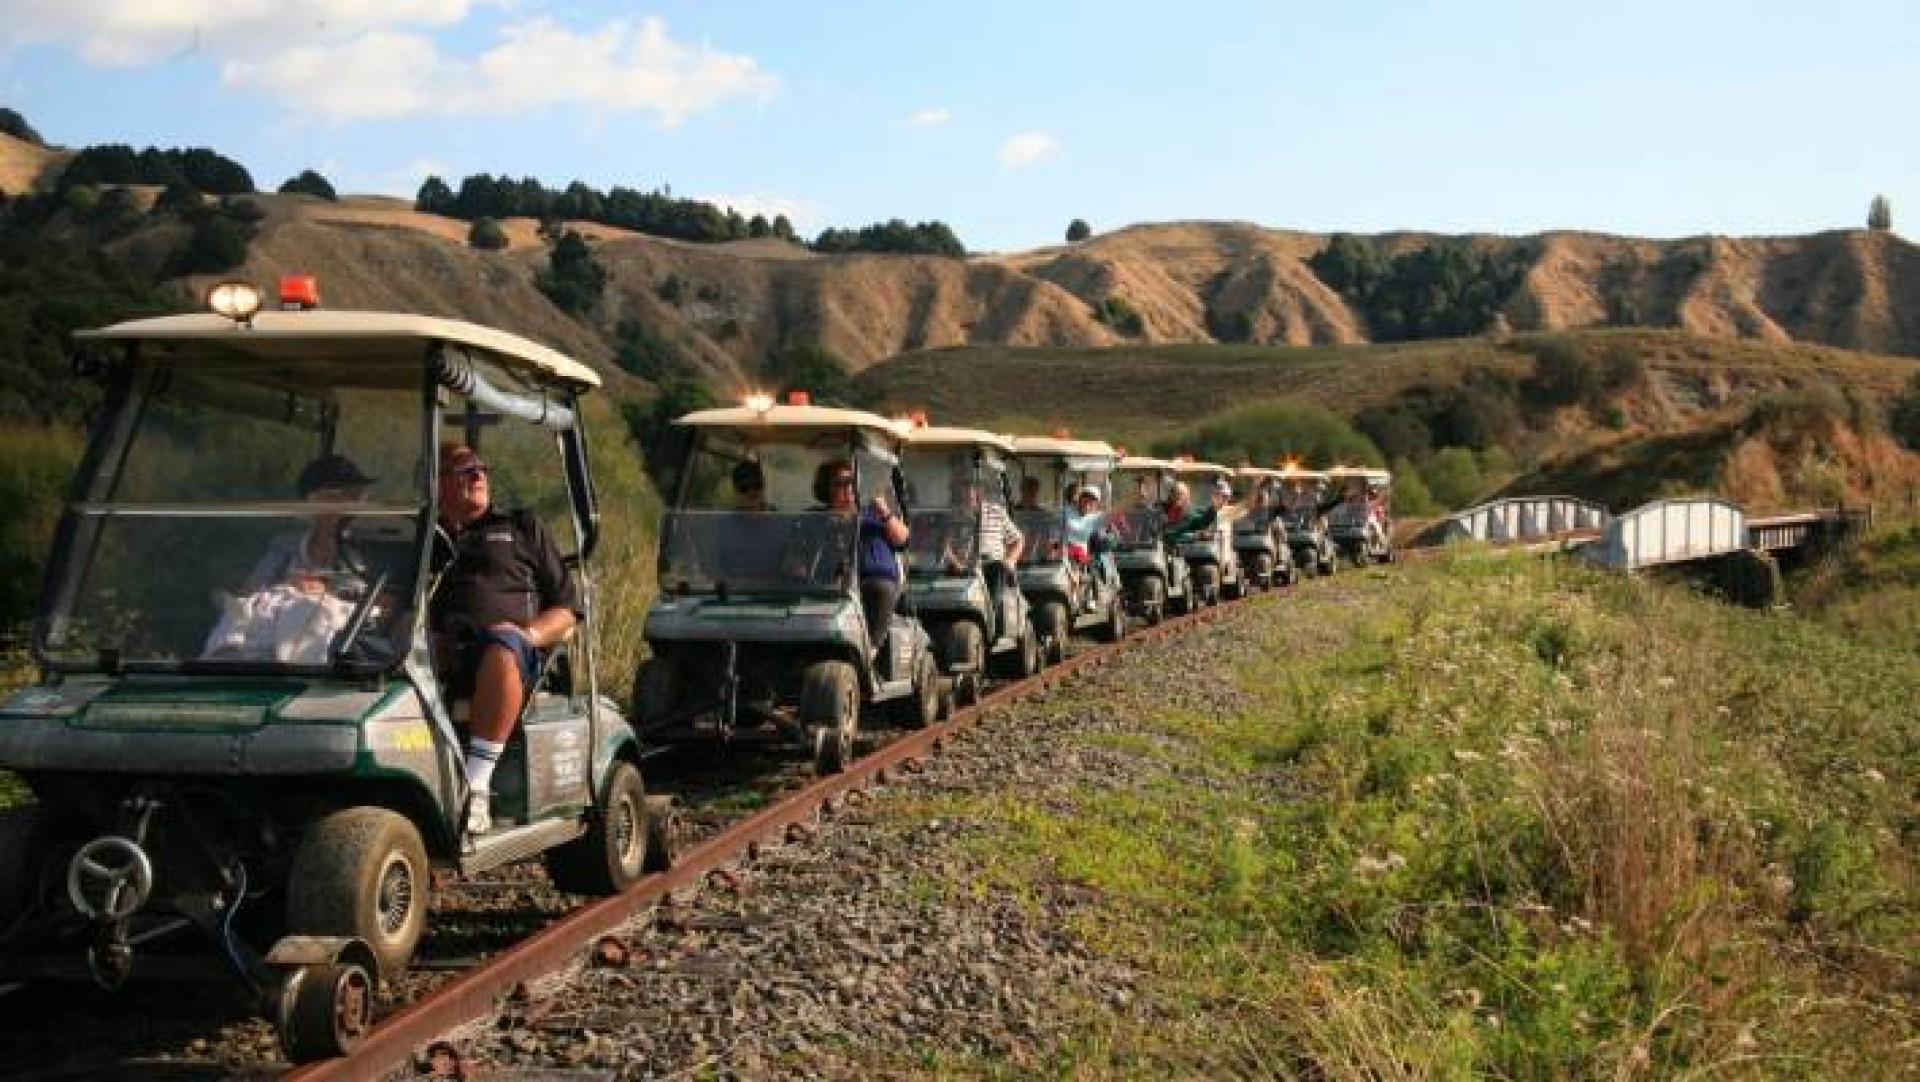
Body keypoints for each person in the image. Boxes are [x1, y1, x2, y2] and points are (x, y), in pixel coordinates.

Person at [432, 443, 583, 836]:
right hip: (432, 651)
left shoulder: (519, 526)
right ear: (436, 481)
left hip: (510, 655)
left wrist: (529, 634)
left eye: (482, 468)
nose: (478, 476)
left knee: (499, 644)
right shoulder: (422, 534)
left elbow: (568, 608)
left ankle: (476, 785)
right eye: (464, 469)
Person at [241, 453, 377, 596]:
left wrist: (327, 591)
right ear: (310, 503)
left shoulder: (374, 553)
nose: (351, 503)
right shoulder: (285, 548)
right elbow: (246, 598)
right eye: (337, 494)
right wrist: (287, 587)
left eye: (358, 494)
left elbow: (387, 603)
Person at [814, 459, 909, 651]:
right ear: (826, 489)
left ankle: (871, 649)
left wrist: (884, 511)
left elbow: (902, 539)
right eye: (840, 484)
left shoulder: (872, 515)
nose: (848, 488)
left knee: (880, 588)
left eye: (851, 482)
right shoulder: (817, 519)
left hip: (872, 582)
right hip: (832, 582)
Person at [1061, 485, 1116, 610]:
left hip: (1080, 553)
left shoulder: (1094, 517)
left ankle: (1089, 597)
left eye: (1092, 500)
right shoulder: (1065, 512)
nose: (1088, 502)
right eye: (1085, 497)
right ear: (1080, 498)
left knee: (1092, 563)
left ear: (1095, 503)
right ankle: (1074, 595)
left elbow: (1110, 525)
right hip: (1064, 549)